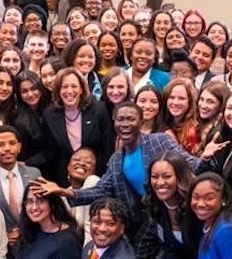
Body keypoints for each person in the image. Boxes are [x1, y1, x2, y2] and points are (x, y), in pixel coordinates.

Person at [36, 102, 201, 239]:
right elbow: (101, 190)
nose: (125, 124)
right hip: (144, 226)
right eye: (120, 119)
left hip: (177, 217)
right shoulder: (115, 160)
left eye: (131, 119)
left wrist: (208, 158)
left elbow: (190, 163)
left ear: (141, 121)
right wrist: (64, 192)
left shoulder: (159, 141)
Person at [42, 68, 113, 184]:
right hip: (64, 179)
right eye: (64, 87)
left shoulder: (99, 109)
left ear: (81, 89)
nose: (69, 91)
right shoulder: (49, 115)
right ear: (58, 90)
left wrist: (104, 180)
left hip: (96, 178)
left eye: (74, 86)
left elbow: (107, 147)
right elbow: (50, 152)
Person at [0, 125, 42, 249]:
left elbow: (41, 209)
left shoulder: (34, 174)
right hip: (0, 246)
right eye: (0, 144)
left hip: (34, 240)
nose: (7, 149)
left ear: (19, 147)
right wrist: (4, 236)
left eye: (12, 143)